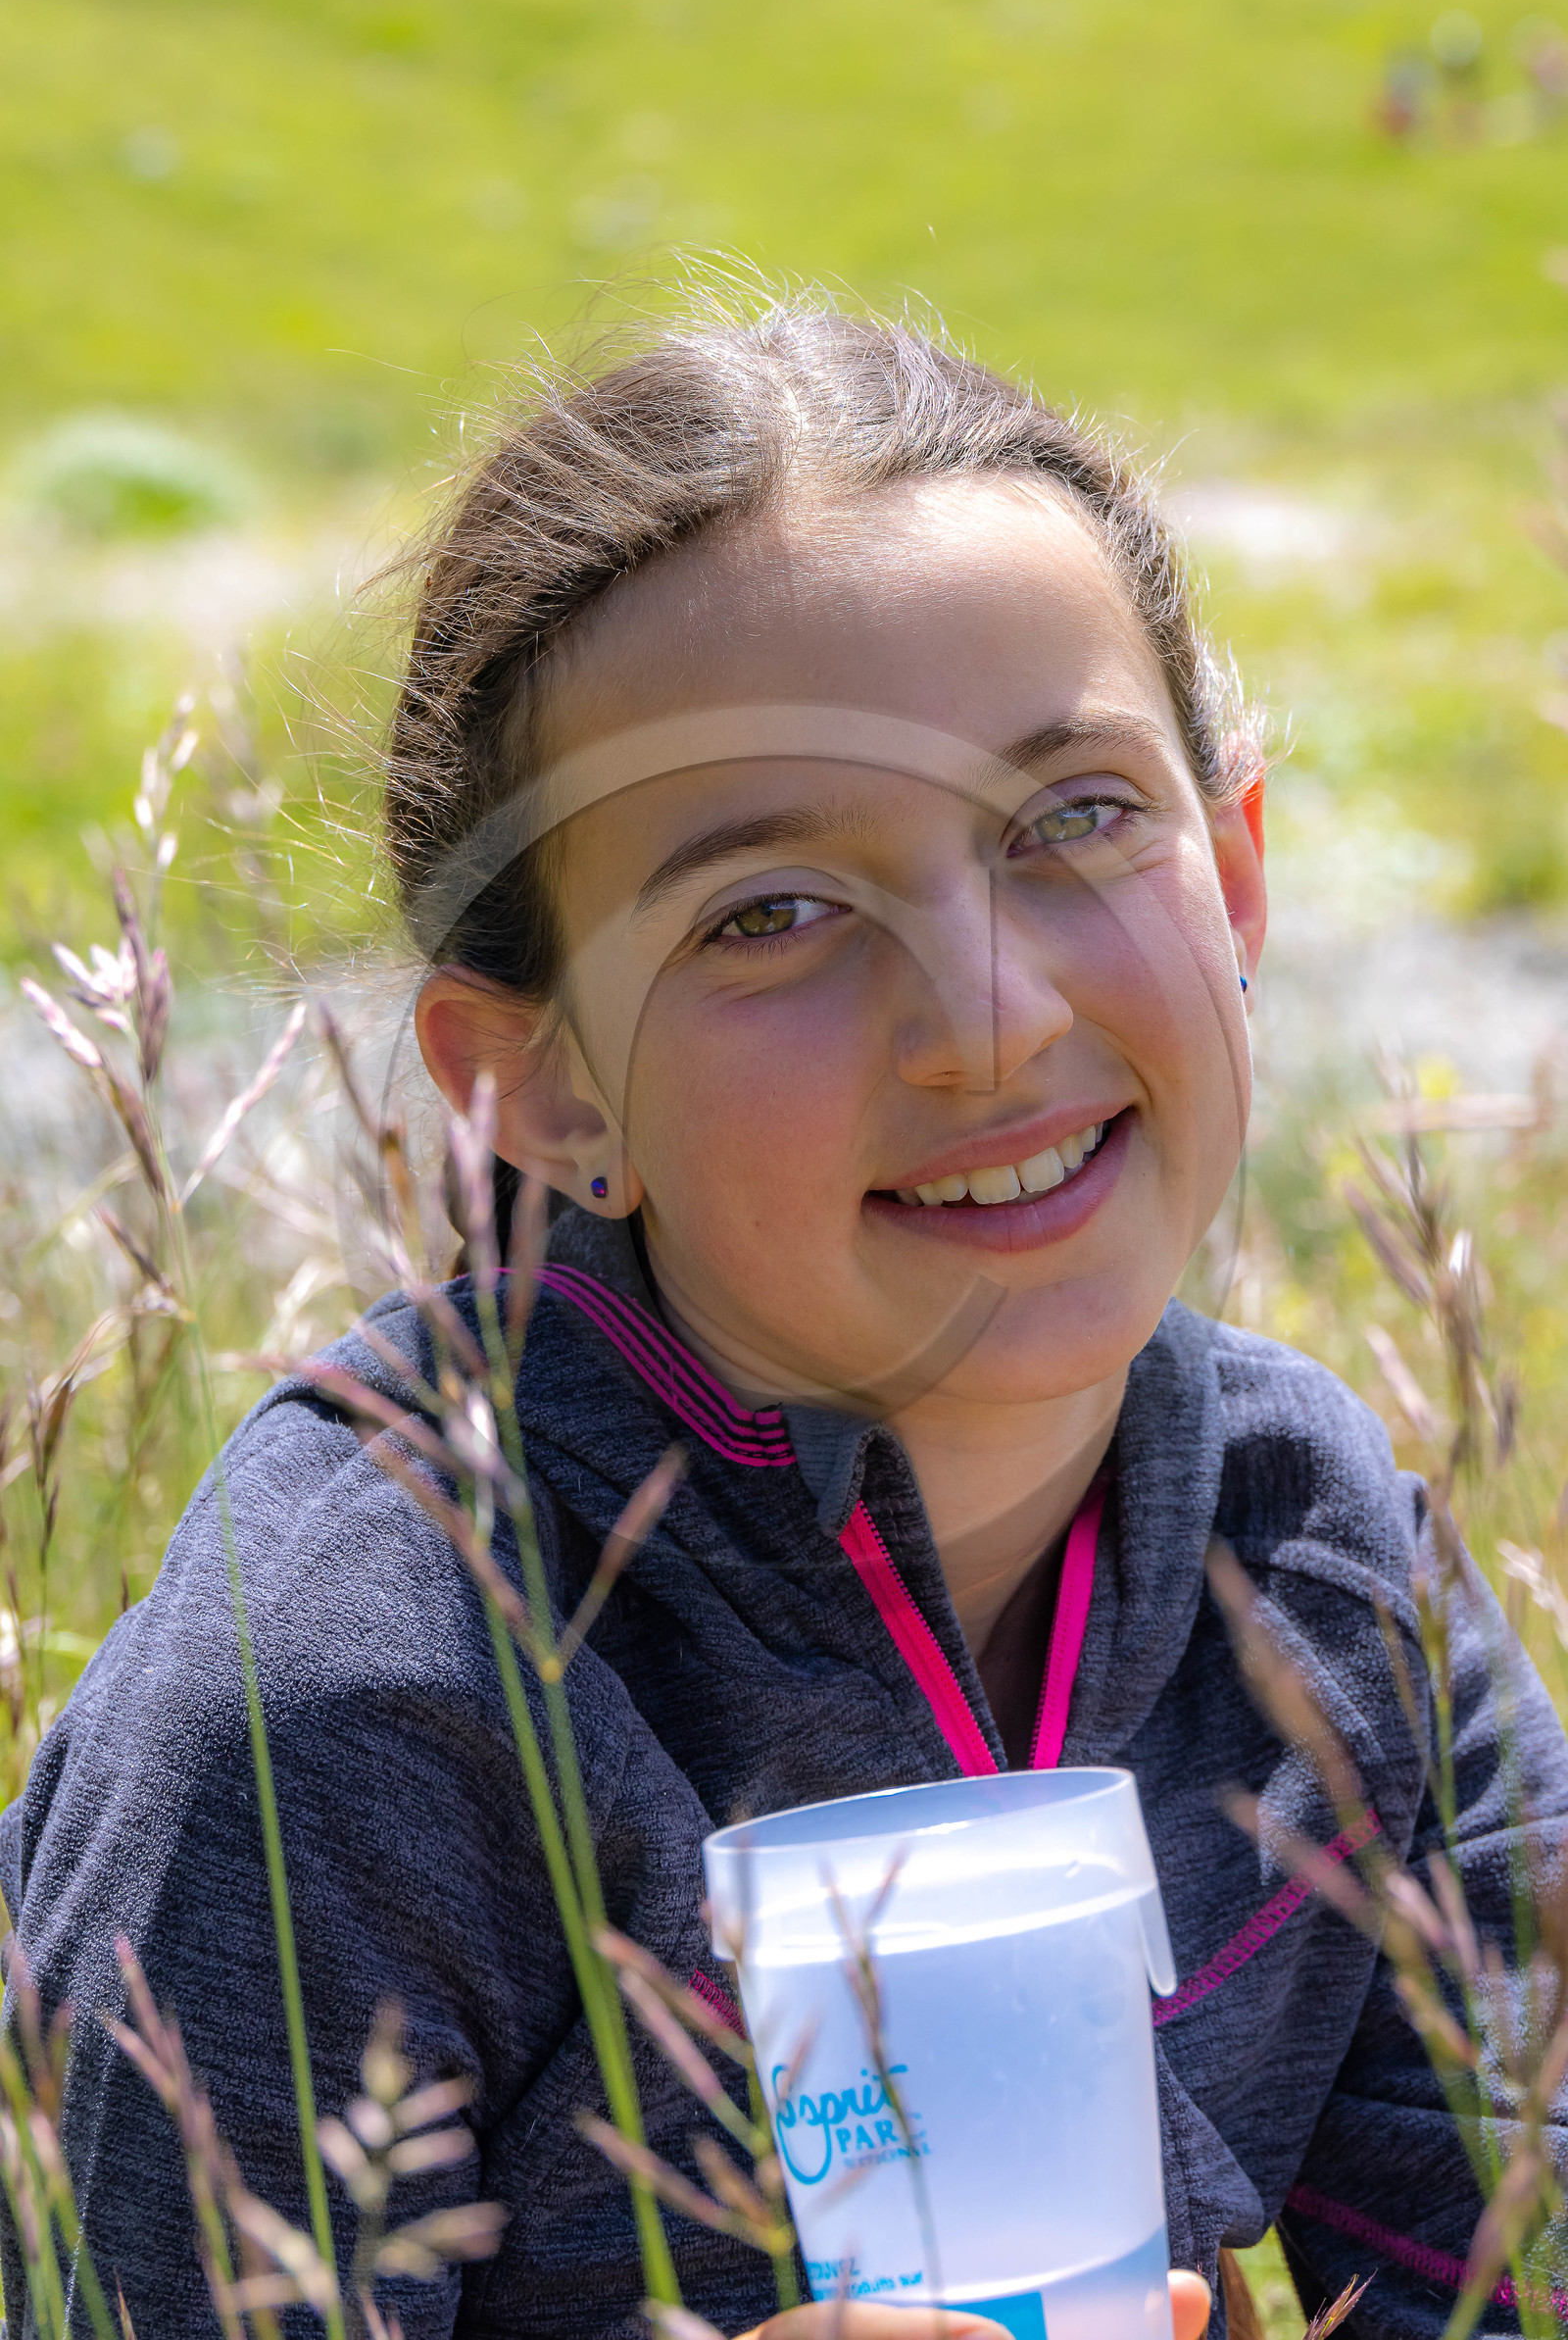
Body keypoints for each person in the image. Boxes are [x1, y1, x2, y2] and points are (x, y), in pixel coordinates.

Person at [4, 295, 1565, 2340]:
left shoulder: (1315, 1561)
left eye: (1072, 818)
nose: (989, 1016)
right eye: (770, 915)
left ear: (1239, 878)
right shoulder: (336, 1708)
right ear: (540, 1084)